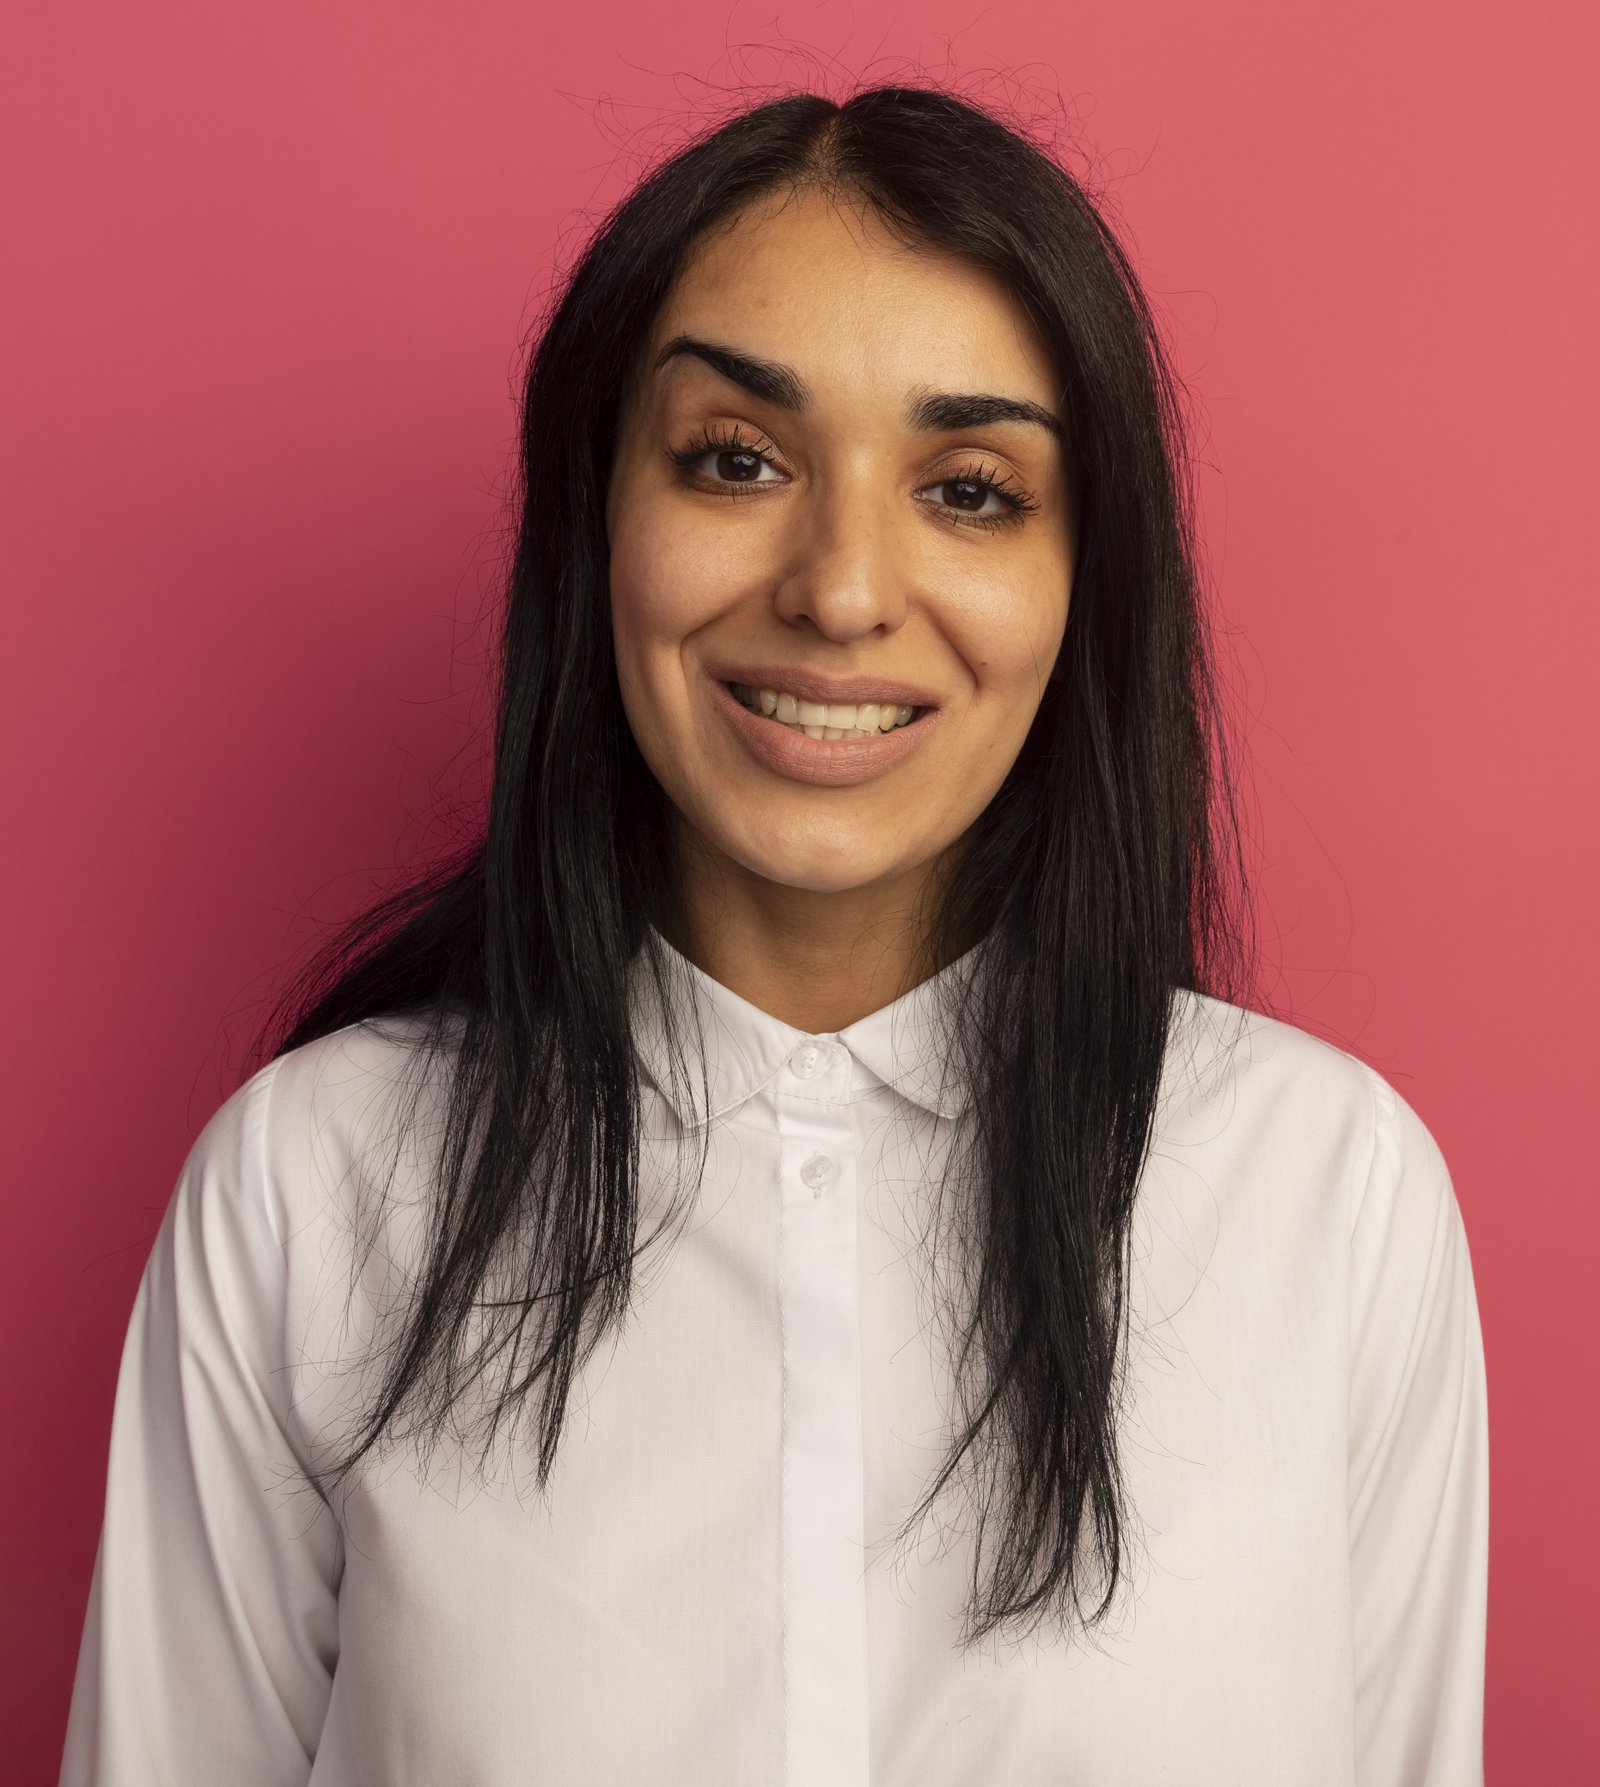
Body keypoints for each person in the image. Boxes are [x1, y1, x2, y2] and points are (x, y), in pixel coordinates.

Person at [59, 85, 1488, 1786]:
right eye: (736, 460)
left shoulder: (1331, 1199)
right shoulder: (308, 1195)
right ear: (600, 526)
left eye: (969, 490)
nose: (841, 587)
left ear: (1083, 583)